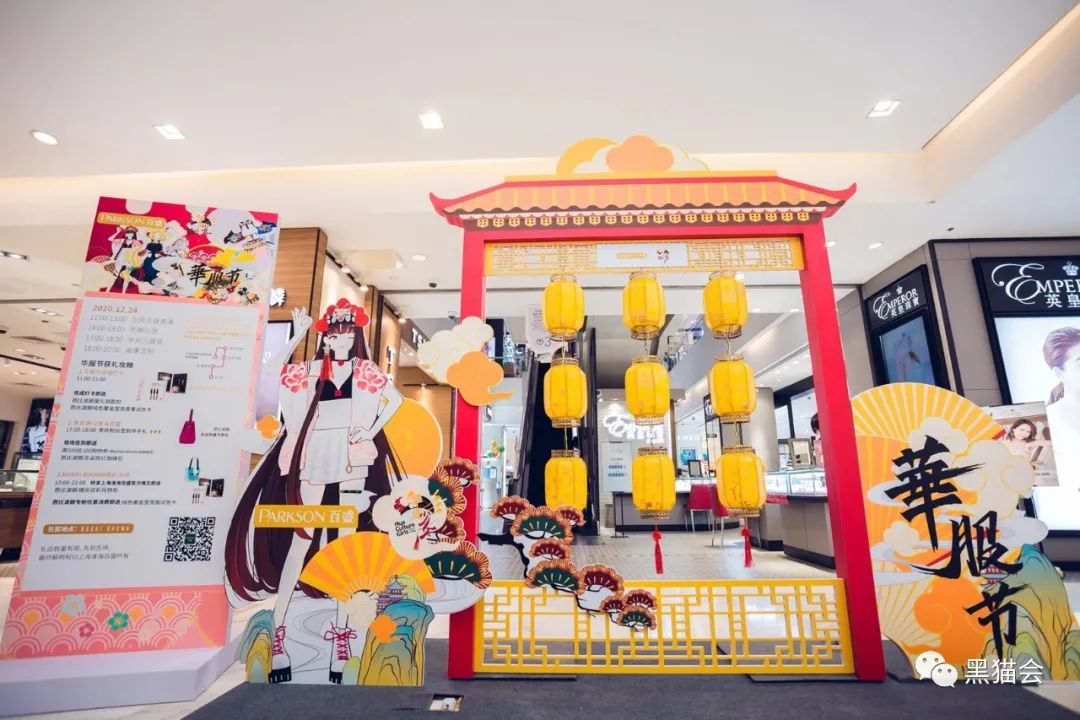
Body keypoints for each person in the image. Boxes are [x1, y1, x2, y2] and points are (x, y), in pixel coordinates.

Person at [225, 301, 405, 684]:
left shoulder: (364, 370)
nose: (341, 342)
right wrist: (297, 336)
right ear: (325, 338)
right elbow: (273, 370)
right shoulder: (311, 369)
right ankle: (279, 632)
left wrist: (370, 430)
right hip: (314, 452)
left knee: (344, 544)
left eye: (347, 337)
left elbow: (395, 400)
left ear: (355, 338)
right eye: (334, 336)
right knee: (302, 539)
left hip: (351, 455)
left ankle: (342, 638)